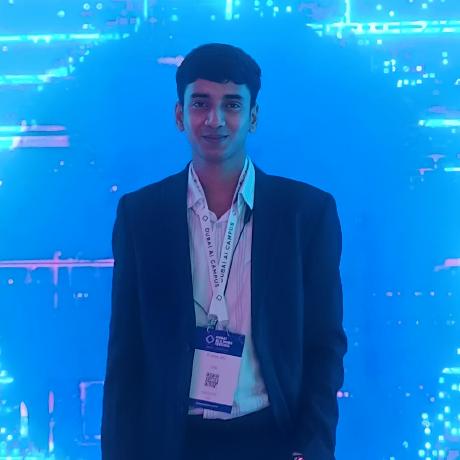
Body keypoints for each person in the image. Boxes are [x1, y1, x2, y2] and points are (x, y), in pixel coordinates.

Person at [101, 43, 347, 460]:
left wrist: (312, 448)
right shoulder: (141, 215)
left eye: (232, 104)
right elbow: (126, 356)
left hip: (273, 438)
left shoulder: (306, 214)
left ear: (253, 116)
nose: (214, 119)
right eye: (200, 103)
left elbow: (324, 346)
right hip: (173, 443)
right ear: (179, 115)